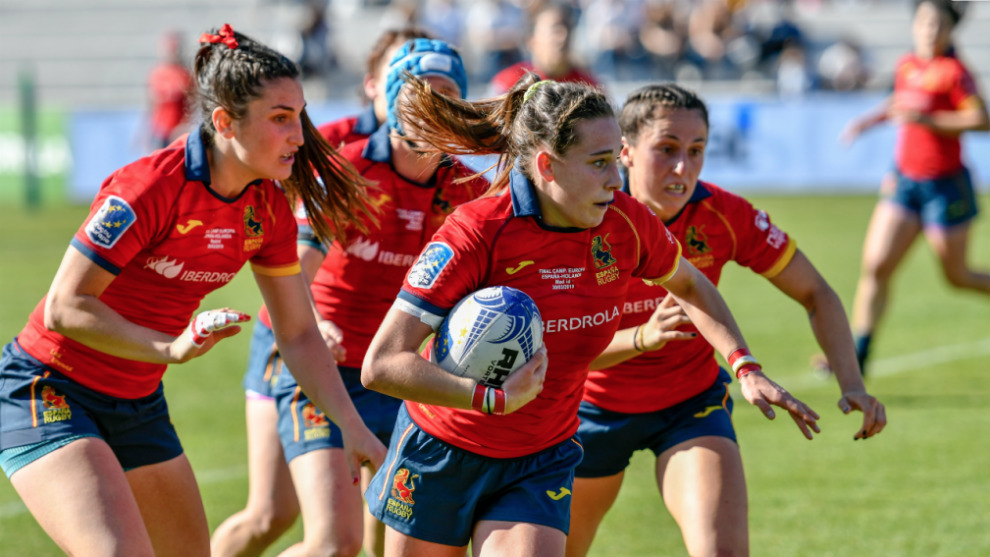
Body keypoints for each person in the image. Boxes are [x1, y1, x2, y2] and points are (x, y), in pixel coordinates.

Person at [359, 74, 820, 557]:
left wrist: (744, 365)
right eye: (599, 163)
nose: (616, 179)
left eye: (616, 159)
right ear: (547, 166)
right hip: (443, 449)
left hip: (540, 457)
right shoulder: (476, 232)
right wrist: (492, 399)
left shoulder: (625, 220)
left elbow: (689, 284)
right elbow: (383, 364)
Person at [0, 24, 386, 557]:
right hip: (50, 389)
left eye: (299, 116)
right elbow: (67, 306)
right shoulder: (149, 187)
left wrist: (352, 425)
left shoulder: (267, 208)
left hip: (138, 401)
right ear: (224, 121)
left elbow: (296, 332)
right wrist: (170, 347)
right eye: (280, 119)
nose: (299, 135)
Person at [564, 83, 888, 557]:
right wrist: (641, 338)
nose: (683, 168)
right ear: (626, 153)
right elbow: (559, 353)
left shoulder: (722, 213)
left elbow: (816, 292)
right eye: (667, 150)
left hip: (688, 406)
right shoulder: (581, 221)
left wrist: (852, 381)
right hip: (586, 411)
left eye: (697, 151)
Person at [214, 38, 485, 557]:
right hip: (319, 360)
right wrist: (316, 321)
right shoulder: (348, 166)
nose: (432, 103)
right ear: (388, 96)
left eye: (446, 93)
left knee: (387, 537)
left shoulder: (470, 190)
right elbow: (291, 271)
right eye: (418, 91)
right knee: (323, 537)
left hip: (400, 375)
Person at [840, 0, 989, 375]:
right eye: (924, 22)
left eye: (938, 24)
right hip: (905, 182)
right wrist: (867, 121)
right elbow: (899, 101)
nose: (929, 30)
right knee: (875, 265)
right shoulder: (907, 64)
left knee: (957, 277)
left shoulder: (955, 73)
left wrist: (928, 119)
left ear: (950, 30)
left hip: (946, 187)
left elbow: (981, 118)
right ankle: (858, 355)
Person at [317, 27, 432, 148]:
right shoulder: (327, 143)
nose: (414, 83)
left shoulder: (445, 156)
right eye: (402, 72)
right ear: (371, 84)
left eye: (428, 76)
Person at [489, 3, 599, 95]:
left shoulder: (587, 86)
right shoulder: (509, 84)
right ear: (531, 40)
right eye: (555, 29)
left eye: (568, 28)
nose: (563, 36)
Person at [146, 30, 194, 150]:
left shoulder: (185, 74)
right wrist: (147, 132)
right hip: (161, 131)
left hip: (179, 131)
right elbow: (151, 104)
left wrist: (186, 126)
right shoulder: (157, 74)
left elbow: (193, 103)